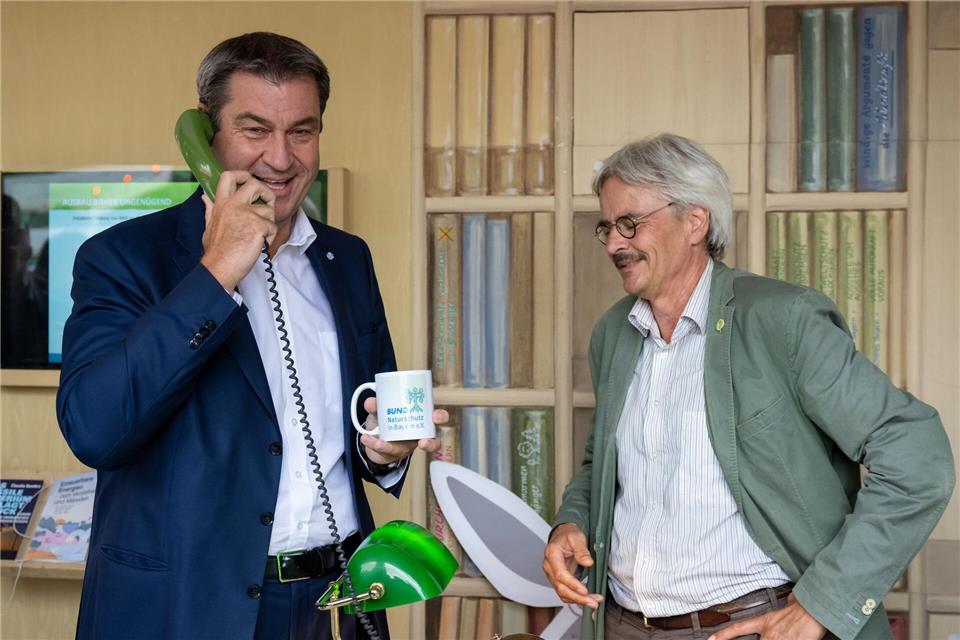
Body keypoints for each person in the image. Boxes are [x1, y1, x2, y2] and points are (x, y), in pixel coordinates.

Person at [56, 32, 441, 640]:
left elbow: (356, 417)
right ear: (204, 135)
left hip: (337, 599)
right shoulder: (123, 257)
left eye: (302, 131)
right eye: (255, 130)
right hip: (189, 603)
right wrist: (217, 271)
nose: (282, 160)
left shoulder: (347, 259)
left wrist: (378, 448)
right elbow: (95, 428)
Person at [542, 134, 954, 640]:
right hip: (622, 624)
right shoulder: (614, 332)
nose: (612, 243)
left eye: (630, 223)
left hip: (749, 627)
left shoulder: (783, 319)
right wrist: (569, 523)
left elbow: (917, 454)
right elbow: (600, 466)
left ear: (696, 221)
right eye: (606, 227)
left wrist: (823, 605)